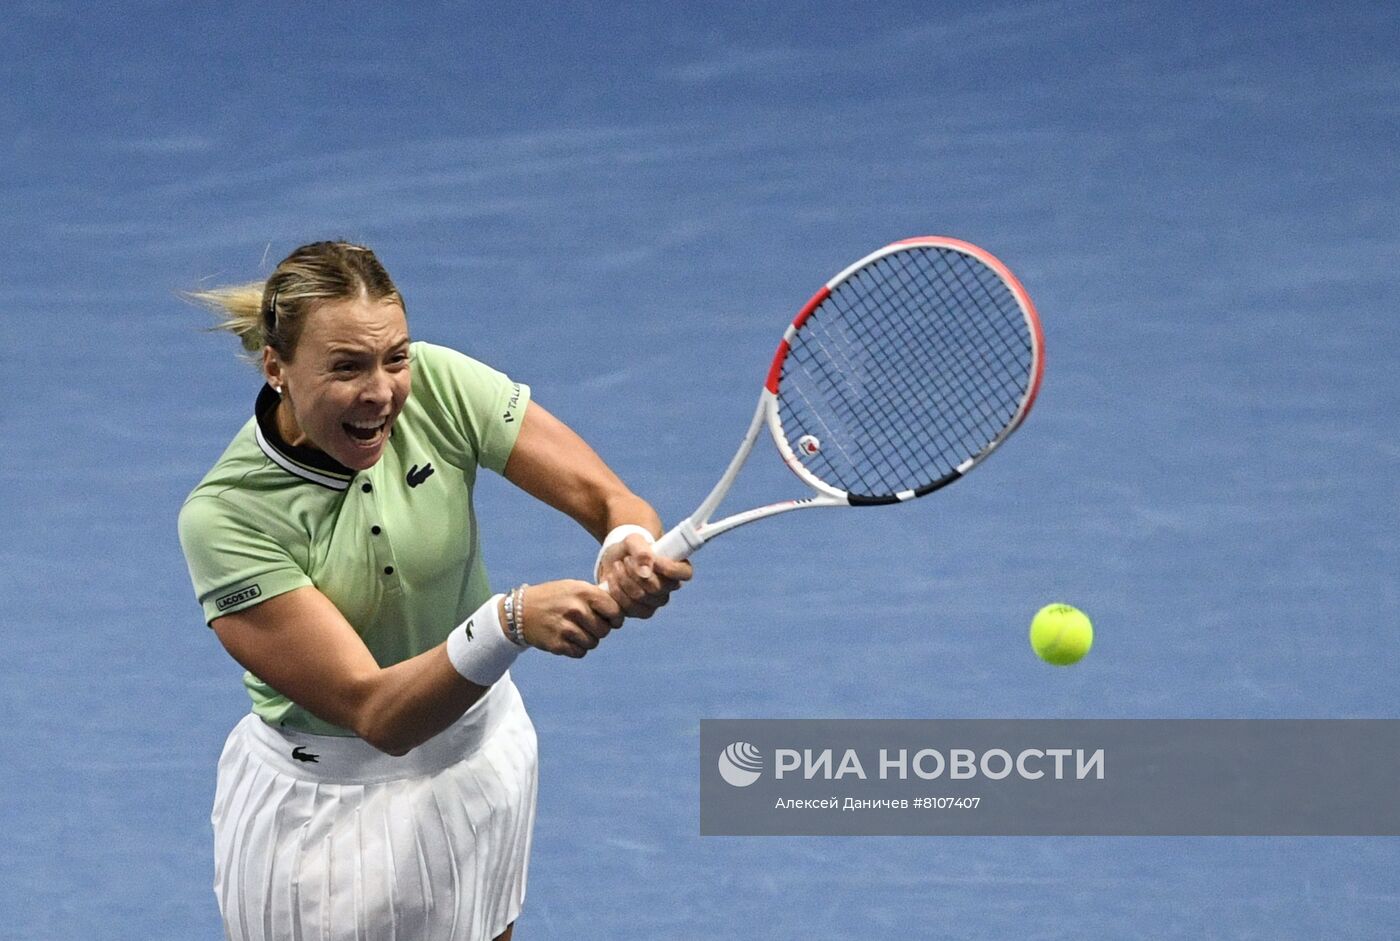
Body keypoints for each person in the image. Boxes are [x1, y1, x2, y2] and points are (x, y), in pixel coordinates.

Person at [177, 240, 691, 941]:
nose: (383, 391)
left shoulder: (441, 386)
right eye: (347, 367)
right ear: (277, 368)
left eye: (395, 357)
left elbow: (609, 498)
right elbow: (378, 713)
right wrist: (508, 621)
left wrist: (625, 544)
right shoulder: (227, 517)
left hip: (477, 760)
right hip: (322, 810)